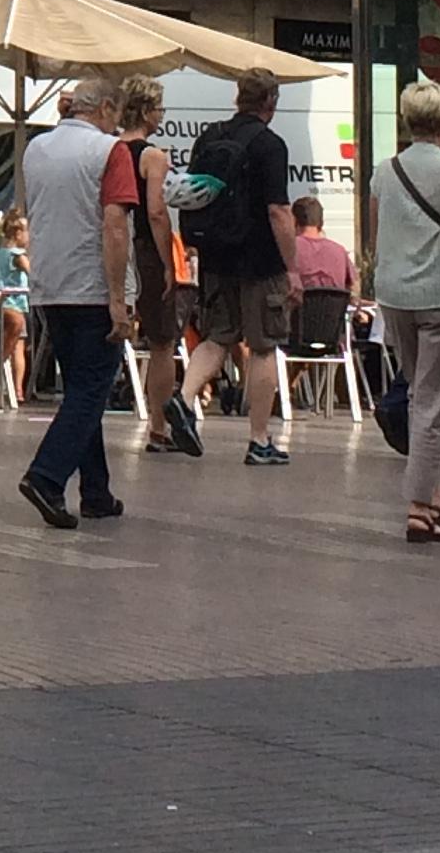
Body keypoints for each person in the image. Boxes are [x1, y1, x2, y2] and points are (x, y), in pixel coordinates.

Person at [15, 78, 137, 530]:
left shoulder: (36, 149)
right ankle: (46, 476)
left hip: (49, 284)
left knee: (80, 386)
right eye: (116, 113)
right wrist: (118, 299)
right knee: (92, 390)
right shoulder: (110, 151)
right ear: (105, 107)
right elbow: (115, 226)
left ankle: (96, 491)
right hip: (92, 286)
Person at [368, 76, 440, 545]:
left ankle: (432, 492)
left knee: (420, 393)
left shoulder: (386, 169)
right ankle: (418, 508)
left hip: (396, 293)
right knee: (435, 404)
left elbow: (377, 237)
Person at [177, 68, 301, 468]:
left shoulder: (210, 136)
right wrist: (292, 267)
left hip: (215, 254)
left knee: (217, 335)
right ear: (271, 102)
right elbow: (279, 211)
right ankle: (259, 439)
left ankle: (182, 400)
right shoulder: (270, 144)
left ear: (238, 97)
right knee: (264, 344)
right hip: (260, 259)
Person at [116, 75, 194, 458]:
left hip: (110, 247)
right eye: (160, 108)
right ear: (147, 112)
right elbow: (156, 211)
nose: (162, 115)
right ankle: (158, 427)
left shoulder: (109, 149)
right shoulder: (154, 156)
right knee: (163, 341)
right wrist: (167, 262)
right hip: (144, 249)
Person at [0, 216, 31, 407]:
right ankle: (17, 389)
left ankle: (6, 385)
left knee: (8, 343)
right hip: (15, 304)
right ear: (18, 233)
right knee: (18, 349)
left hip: (0, 304)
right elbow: (33, 274)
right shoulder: (18, 255)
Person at [291, 197, 354, 296]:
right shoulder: (339, 251)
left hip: (299, 310)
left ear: (294, 221)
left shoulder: (288, 250)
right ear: (321, 221)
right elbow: (353, 286)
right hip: (334, 310)